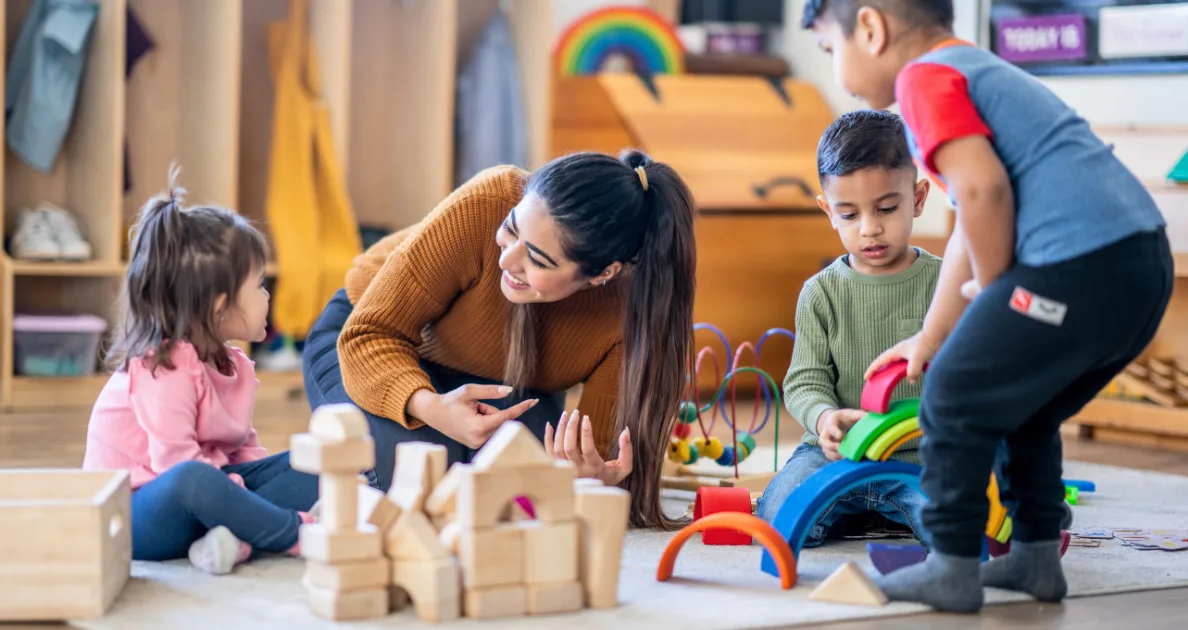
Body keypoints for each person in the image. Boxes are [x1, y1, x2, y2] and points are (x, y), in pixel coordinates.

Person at [804, 0, 1173, 613]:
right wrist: (933, 333)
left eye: (827, 49)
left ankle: (950, 565)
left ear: (870, 28)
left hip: (1080, 263)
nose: (834, 68)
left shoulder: (921, 78)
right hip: (1136, 264)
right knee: (1020, 406)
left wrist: (997, 289)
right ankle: (1033, 558)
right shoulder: (973, 71)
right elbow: (966, 227)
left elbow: (984, 191)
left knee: (951, 393)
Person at [302, 150, 697, 529]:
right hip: (368, 337)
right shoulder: (486, 200)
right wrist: (430, 407)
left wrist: (590, 480)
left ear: (602, 274)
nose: (505, 261)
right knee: (409, 480)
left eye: (539, 260)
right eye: (511, 228)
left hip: (508, 382)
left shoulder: (633, 315)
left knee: (512, 490)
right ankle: (244, 488)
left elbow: (602, 455)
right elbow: (368, 334)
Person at [83, 166, 319, 575]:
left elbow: (245, 450)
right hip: (137, 514)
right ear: (218, 305)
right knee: (194, 478)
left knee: (311, 460)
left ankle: (236, 534)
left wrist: (251, 496)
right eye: (261, 285)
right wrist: (249, 501)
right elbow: (177, 466)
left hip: (208, 492)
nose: (268, 297)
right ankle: (295, 533)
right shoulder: (165, 366)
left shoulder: (233, 363)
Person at [755, 109, 940, 548]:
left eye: (887, 208)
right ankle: (862, 513)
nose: (870, 228)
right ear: (828, 212)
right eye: (849, 214)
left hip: (921, 458)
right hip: (833, 456)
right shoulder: (820, 292)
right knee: (776, 514)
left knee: (964, 522)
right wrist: (824, 419)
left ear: (917, 198)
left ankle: (883, 514)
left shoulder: (942, 283)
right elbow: (804, 381)